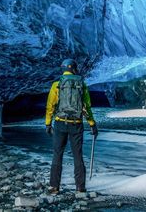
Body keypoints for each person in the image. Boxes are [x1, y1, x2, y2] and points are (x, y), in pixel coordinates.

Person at [45, 58, 98, 195]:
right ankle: (80, 188)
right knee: (77, 156)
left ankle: (54, 187)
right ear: (74, 68)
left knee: (57, 154)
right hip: (76, 124)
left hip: (60, 123)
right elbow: (86, 107)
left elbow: (50, 106)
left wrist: (48, 123)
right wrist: (92, 124)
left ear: (64, 69)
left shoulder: (57, 84)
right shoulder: (82, 84)